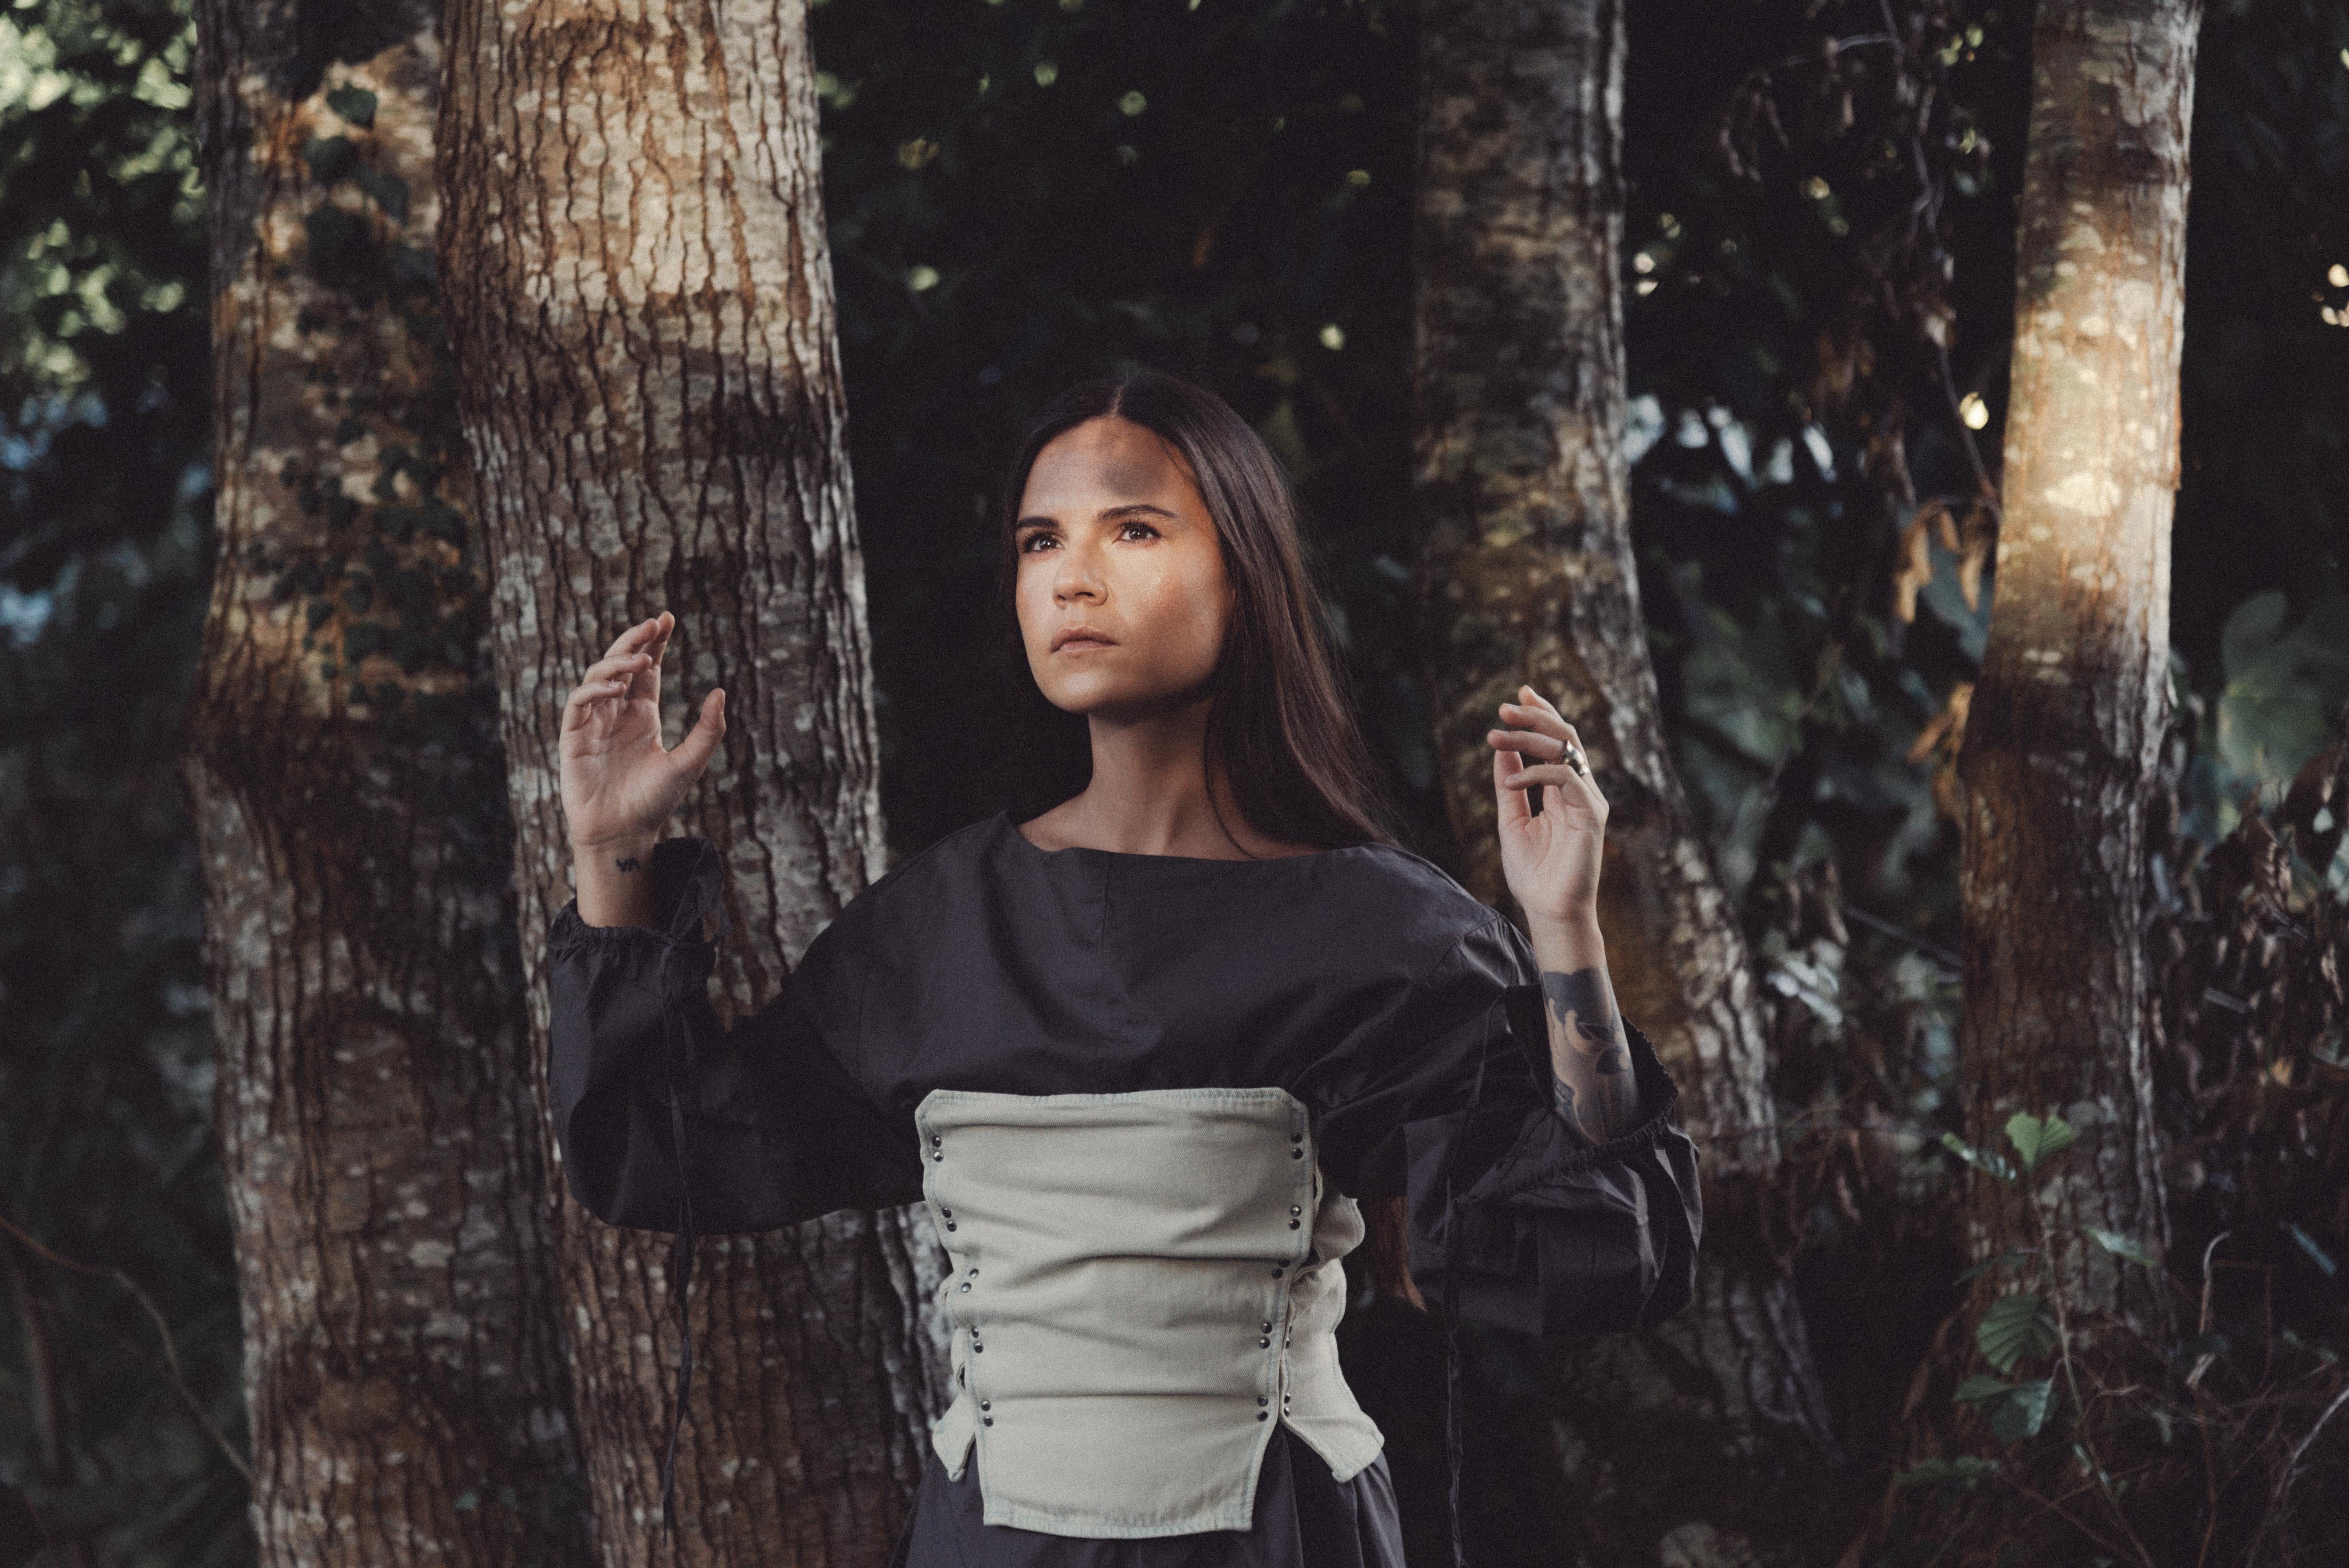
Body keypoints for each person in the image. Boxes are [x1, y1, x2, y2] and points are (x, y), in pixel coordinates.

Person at [545, 369, 1700, 1568]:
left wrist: (1564, 929)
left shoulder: (1382, 932)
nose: (1072, 579)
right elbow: (660, 1156)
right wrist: (612, 851)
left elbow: (1592, 1260)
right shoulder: (939, 926)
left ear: (1244, 580)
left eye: (1134, 530)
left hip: (1278, 1537)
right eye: (1040, 541)